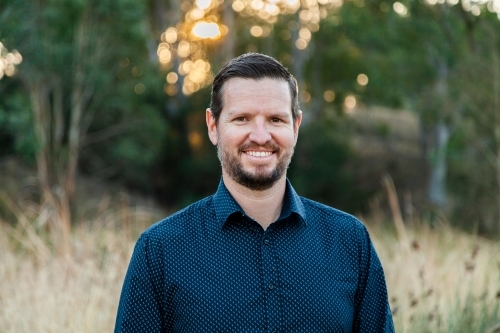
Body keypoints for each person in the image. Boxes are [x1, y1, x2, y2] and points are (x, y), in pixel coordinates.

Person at [115, 53, 394, 332]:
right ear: (213, 126)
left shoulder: (350, 242)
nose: (260, 136)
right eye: (242, 119)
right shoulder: (160, 251)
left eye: (275, 119)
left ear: (295, 127)